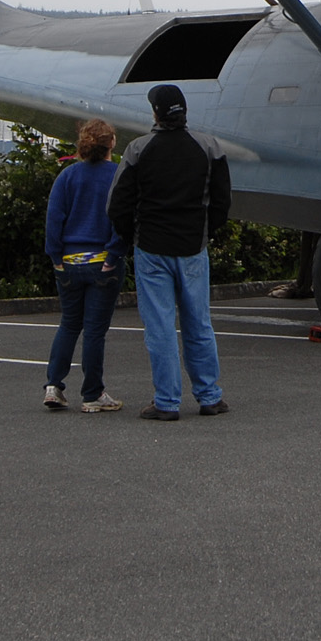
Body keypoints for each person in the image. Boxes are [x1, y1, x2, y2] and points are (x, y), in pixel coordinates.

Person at [108, 84, 230, 421]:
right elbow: (222, 202)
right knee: (199, 323)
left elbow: (117, 204)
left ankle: (166, 401)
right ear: (184, 111)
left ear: (156, 113)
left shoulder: (138, 149)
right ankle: (209, 396)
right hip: (193, 246)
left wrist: (131, 235)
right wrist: (205, 233)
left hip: (151, 247)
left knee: (160, 326)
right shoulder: (208, 146)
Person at [43, 118, 124, 413]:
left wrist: (56, 258)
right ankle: (92, 393)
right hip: (103, 261)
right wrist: (113, 255)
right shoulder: (117, 175)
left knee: (69, 323)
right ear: (111, 143)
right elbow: (122, 219)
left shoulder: (67, 176)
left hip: (69, 263)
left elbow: (54, 219)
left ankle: (54, 385)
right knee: (94, 331)